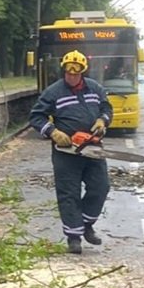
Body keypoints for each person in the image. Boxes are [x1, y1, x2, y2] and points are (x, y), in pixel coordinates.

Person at [29, 50, 114, 254]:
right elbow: (36, 117)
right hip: (66, 151)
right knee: (69, 193)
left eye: (76, 74)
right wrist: (53, 131)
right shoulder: (53, 92)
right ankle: (73, 237)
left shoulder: (95, 89)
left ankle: (86, 224)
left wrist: (102, 121)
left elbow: (106, 108)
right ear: (64, 71)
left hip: (92, 148)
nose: (72, 77)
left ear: (83, 72)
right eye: (68, 73)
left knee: (101, 186)